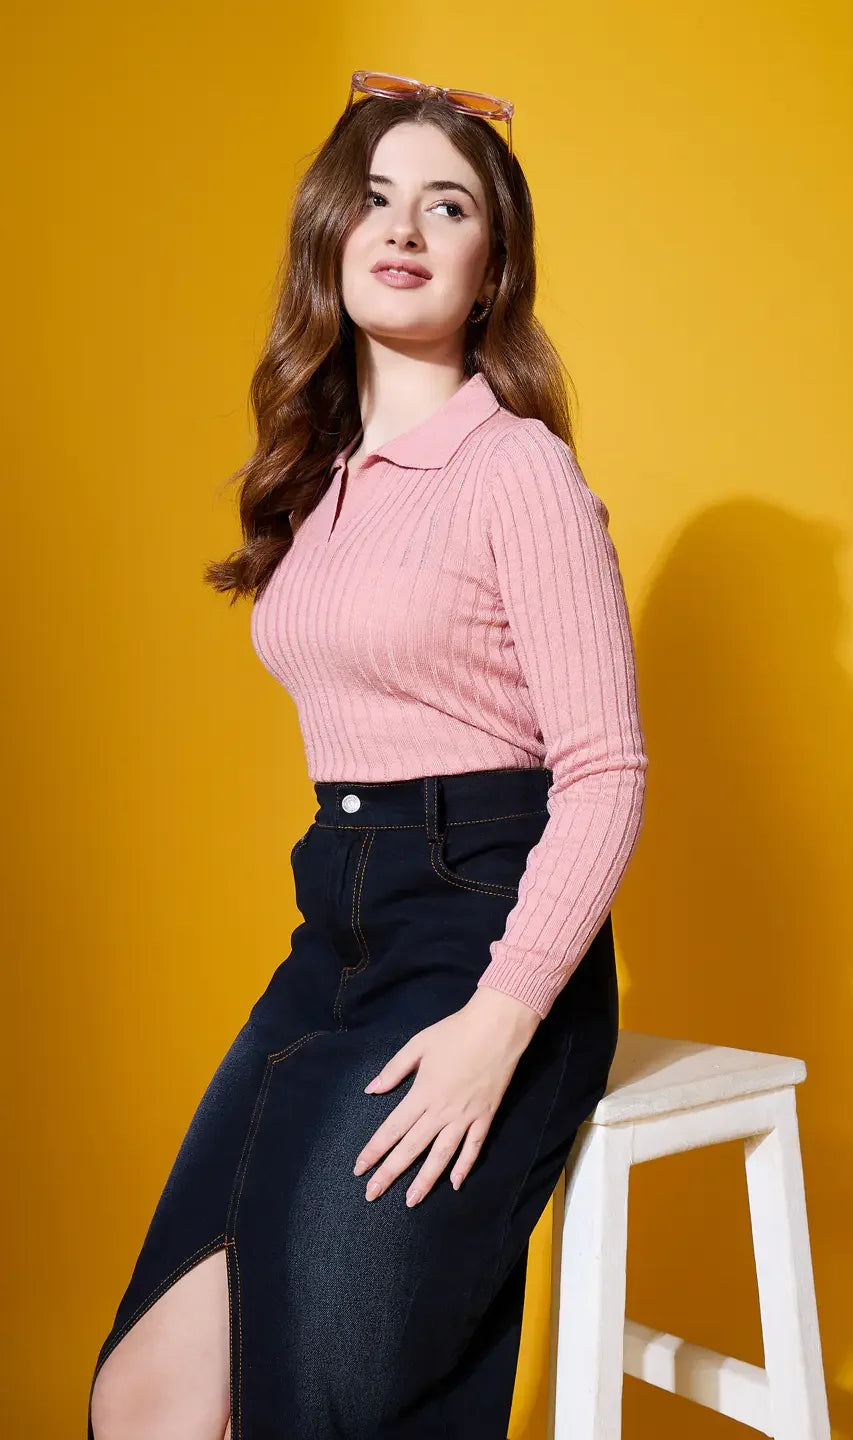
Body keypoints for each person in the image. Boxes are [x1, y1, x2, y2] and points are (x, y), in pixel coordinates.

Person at [87, 68, 647, 1440]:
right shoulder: (320, 478)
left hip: (486, 936)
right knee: (143, 1398)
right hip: (335, 931)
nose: (402, 227)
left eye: (445, 205)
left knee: (328, 1388)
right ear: (331, 233)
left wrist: (498, 1029)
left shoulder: (516, 470)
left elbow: (608, 772)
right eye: (377, 198)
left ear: (491, 261)